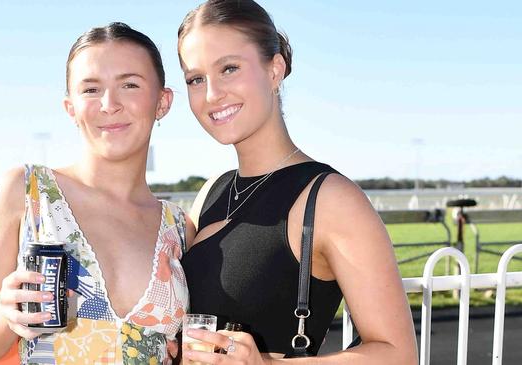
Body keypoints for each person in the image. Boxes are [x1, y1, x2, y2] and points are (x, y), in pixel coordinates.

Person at [176, 1, 418, 364]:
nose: (212, 94)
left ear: (275, 69)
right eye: (196, 79)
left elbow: (398, 355)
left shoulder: (331, 198)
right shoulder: (212, 191)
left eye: (229, 68)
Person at [0, 22, 193, 365]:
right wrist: (3, 315)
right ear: (71, 108)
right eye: (91, 89)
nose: (109, 104)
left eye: (129, 85)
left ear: (162, 101)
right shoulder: (27, 193)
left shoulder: (180, 227)